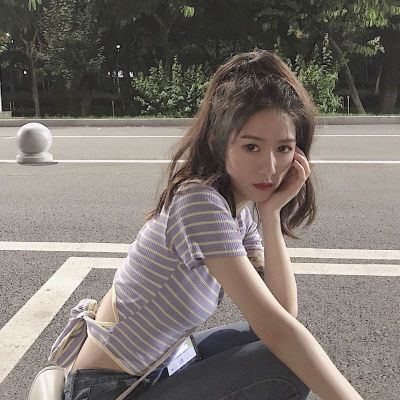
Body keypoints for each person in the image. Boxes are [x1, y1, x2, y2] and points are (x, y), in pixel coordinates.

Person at [49, 49, 363, 400]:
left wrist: (271, 215)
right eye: (252, 147)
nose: (270, 167)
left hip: (161, 366)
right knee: (286, 365)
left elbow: (282, 313)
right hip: (110, 390)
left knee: (281, 347)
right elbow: (280, 331)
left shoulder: (238, 209)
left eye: (284, 149)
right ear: (219, 143)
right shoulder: (199, 202)